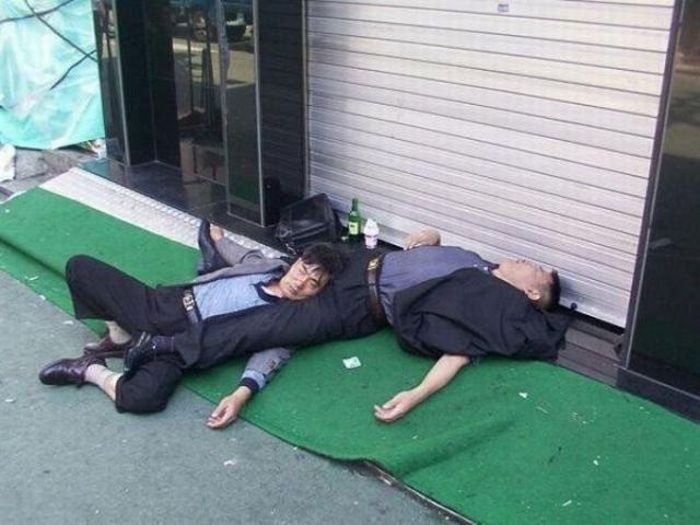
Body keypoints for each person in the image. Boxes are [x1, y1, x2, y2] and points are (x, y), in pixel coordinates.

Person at [123, 228, 568, 426]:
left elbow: (460, 349)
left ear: (531, 293)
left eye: (536, 269)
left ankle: (170, 348)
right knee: (287, 270)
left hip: (355, 307)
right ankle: (219, 258)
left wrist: (415, 394)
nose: (527, 260)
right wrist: (431, 236)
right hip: (359, 263)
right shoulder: (477, 263)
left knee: (270, 324)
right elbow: (431, 255)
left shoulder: (492, 301)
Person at [38, 220, 346, 419]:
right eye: (303, 271)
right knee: (80, 267)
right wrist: (219, 237)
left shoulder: (289, 320)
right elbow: (242, 255)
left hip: (184, 343)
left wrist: (241, 395)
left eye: (313, 284)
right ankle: (121, 337)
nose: (301, 283)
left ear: (316, 293)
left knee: (142, 398)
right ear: (296, 262)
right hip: (164, 305)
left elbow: (272, 356)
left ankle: (89, 369)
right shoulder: (269, 266)